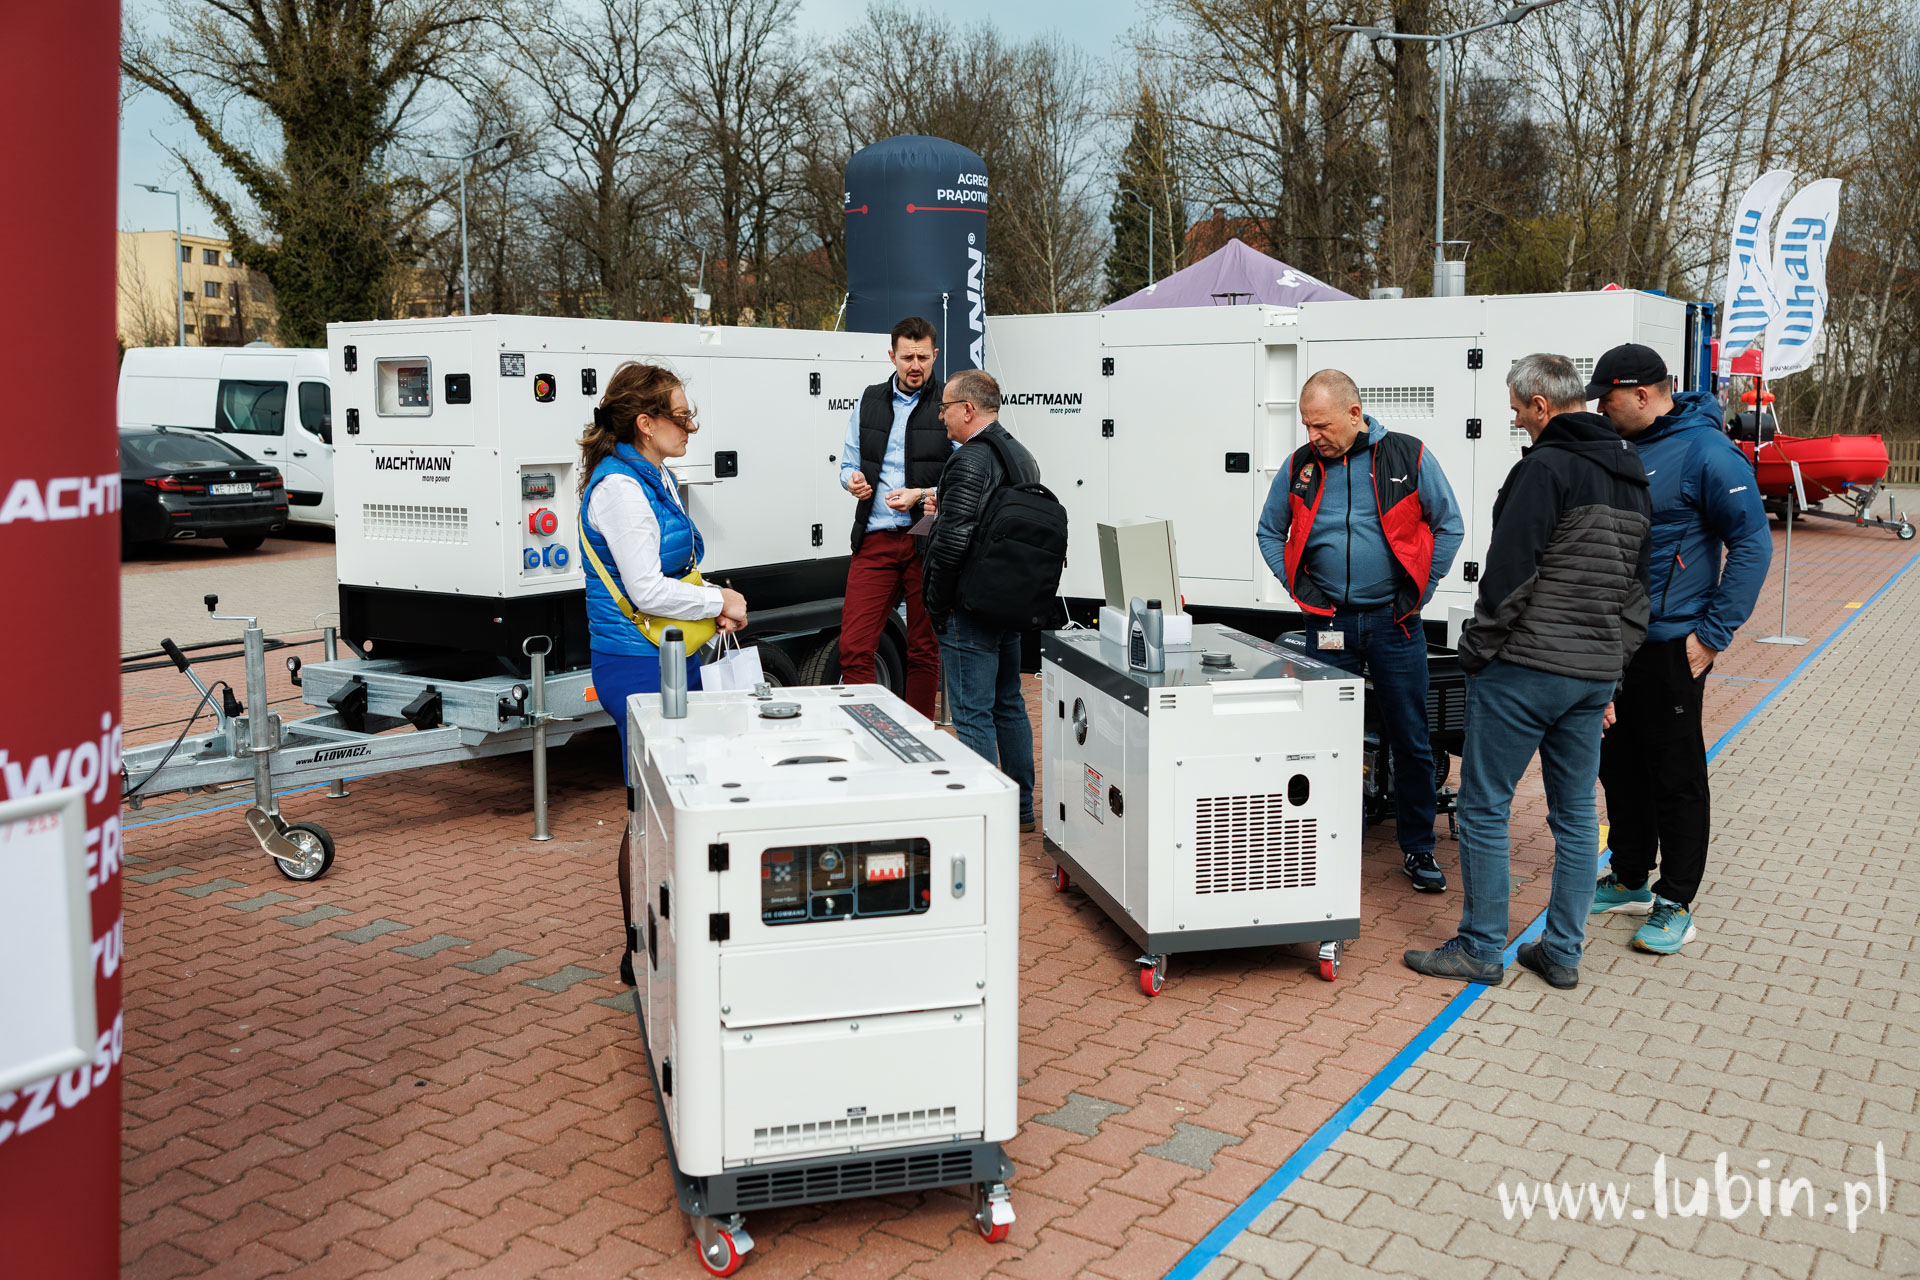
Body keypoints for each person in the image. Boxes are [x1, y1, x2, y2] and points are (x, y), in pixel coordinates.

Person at [1404, 354, 1652, 987]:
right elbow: (1638, 595)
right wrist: (1612, 670)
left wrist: (1475, 651)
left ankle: (1480, 948)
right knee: (1576, 818)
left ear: (1541, 405)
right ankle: (1562, 954)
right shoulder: (1631, 475)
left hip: (1524, 669)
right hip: (1591, 676)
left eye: (1517, 410)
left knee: (1485, 807)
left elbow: (1510, 577)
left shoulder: (1542, 469)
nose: (1515, 420)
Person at [1588, 343, 1771, 955]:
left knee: (1675, 774)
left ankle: (1676, 902)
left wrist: (1712, 635)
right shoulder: (1623, 444)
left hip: (1672, 644)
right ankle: (1630, 877)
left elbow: (1752, 543)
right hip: (1615, 644)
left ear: (1642, 394)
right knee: (1619, 766)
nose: (1601, 409)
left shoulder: (1706, 452)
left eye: (1608, 399)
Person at [1256, 368, 1465, 892]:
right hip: (1329, 625)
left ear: (1355, 414)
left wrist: (1421, 589)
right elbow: (1268, 531)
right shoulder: (1300, 466)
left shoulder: (1408, 456)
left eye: (1321, 425)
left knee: (1411, 739)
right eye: (1306, 425)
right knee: (1320, 737)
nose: (1313, 436)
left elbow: (1450, 525)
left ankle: (1418, 849)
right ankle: (1317, 840)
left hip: (1396, 625)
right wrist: (1300, 589)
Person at [579, 362, 748, 986]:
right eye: (681, 417)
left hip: (668, 655)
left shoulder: (654, 476)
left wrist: (707, 606)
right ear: (645, 423)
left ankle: (675, 935)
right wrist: (717, 601)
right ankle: (639, 951)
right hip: (638, 664)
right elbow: (646, 589)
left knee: (679, 796)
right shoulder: (620, 489)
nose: (691, 428)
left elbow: (671, 574)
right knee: (650, 808)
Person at [922, 368, 1040, 833]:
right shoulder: (1021, 454)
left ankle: (984, 818)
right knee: (1008, 702)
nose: (941, 416)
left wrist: (937, 603)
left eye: (946, 407)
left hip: (967, 607)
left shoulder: (969, 459)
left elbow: (953, 543)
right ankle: (1020, 809)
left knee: (971, 714)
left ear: (968, 409)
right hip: (1006, 601)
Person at [838, 316, 951, 717]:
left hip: (927, 541)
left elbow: (965, 477)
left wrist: (923, 493)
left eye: (923, 357)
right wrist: (851, 481)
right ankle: (871, 731)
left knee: (923, 649)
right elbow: (848, 464)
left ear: (935, 355)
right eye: (907, 357)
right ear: (892, 356)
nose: (915, 366)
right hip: (876, 538)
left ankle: (918, 737)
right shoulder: (869, 400)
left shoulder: (949, 404)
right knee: (853, 647)